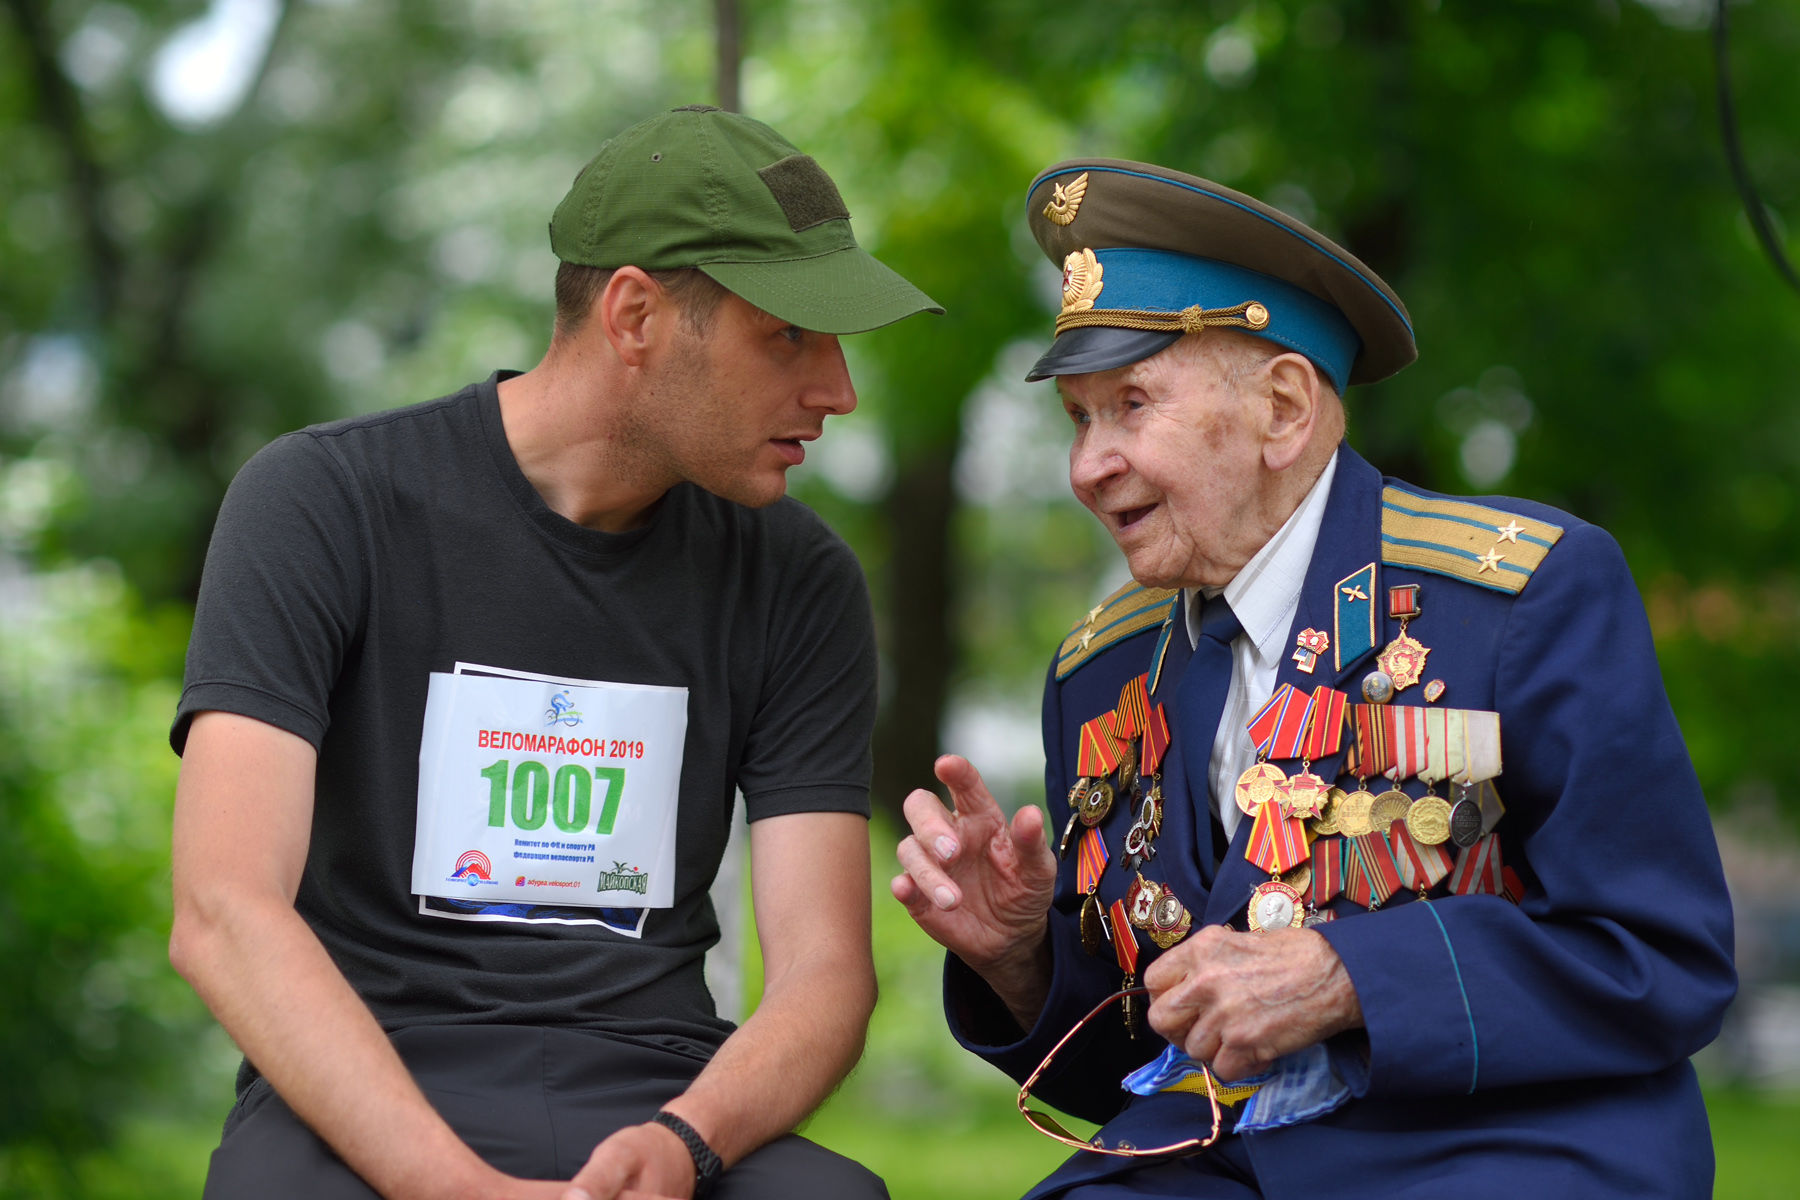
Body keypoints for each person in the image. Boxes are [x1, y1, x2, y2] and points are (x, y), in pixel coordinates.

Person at [893, 157, 1736, 1198]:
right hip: (1213, 1158)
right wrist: (1018, 956)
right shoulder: (1098, 672)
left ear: (1285, 409)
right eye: (1079, 417)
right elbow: (1136, 1060)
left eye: (1131, 404)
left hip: (1496, 1148)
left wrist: (1352, 979)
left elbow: (1661, 961)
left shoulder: (1523, 595)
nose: (1087, 466)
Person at [169, 105, 940, 1200]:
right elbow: (222, 911)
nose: (838, 391)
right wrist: (450, 1186)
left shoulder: (797, 576)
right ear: (636, 315)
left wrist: (686, 1144)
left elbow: (825, 976)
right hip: (366, 1080)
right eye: (788, 337)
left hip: (659, 1088)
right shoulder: (322, 502)